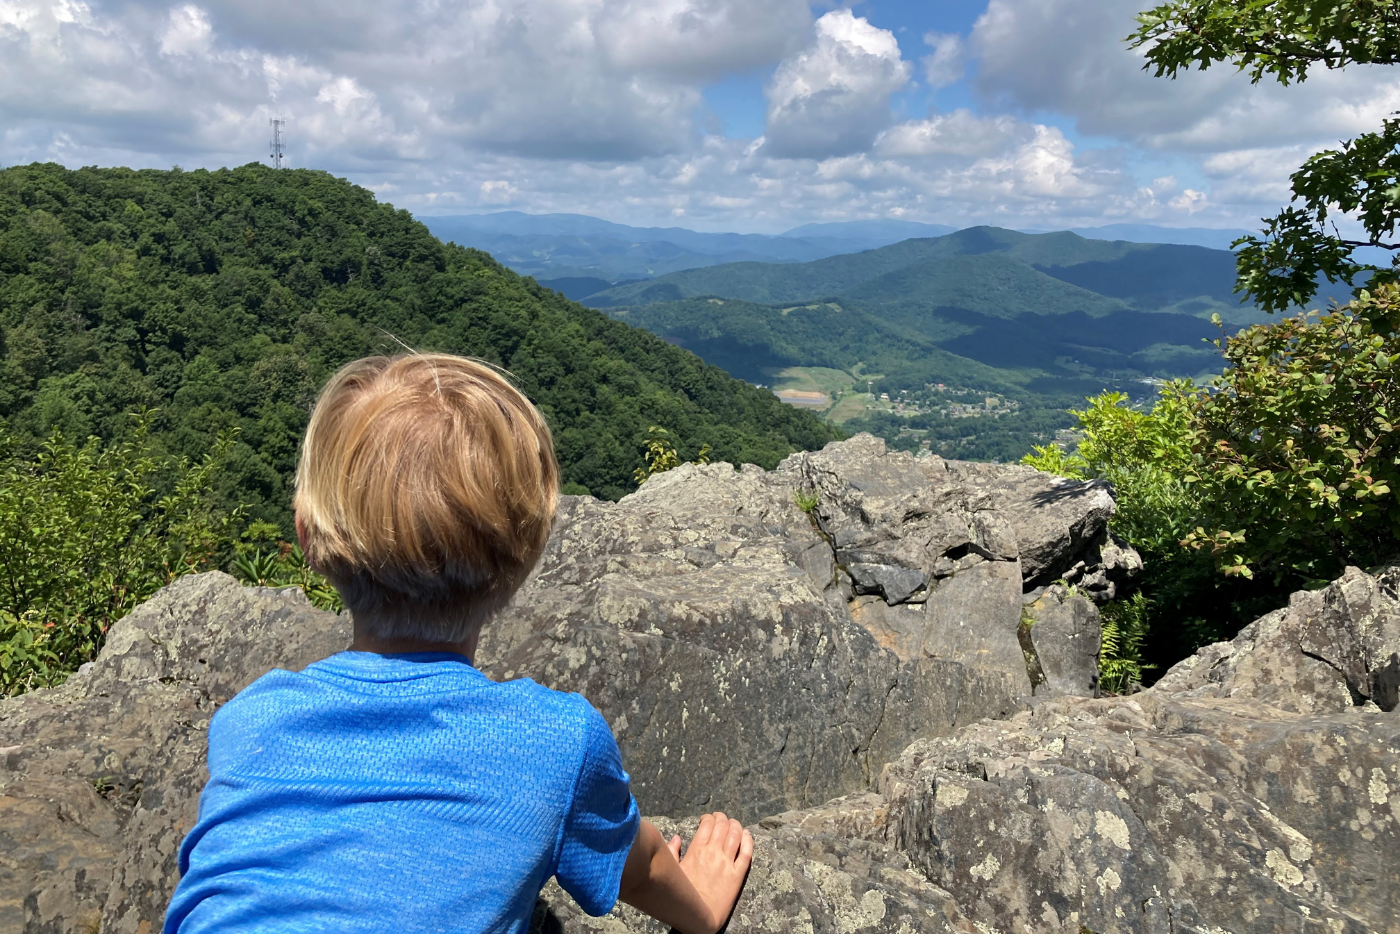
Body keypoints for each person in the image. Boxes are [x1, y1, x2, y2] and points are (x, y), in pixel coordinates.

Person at [164, 354, 753, 934]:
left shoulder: (250, 722)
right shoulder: (553, 743)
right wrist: (701, 909)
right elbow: (644, 867)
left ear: (308, 539)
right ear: (526, 558)